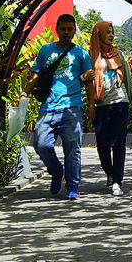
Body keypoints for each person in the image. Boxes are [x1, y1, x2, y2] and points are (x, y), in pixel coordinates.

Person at [22, 14, 94, 201]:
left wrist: (91, 104)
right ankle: (56, 170)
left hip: (72, 106)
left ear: (73, 30)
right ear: (57, 29)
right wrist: (25, 92)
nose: (66, 32)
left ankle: (73, 186)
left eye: (70, 29)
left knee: (73, 148)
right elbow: (36, 74)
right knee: (41, 143)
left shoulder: (81, 54)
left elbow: (88, 80)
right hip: (48, 105)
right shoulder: (46, 50)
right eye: (63, 29)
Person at [86, 20, 132, 196]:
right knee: (102, 144)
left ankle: (117, 180)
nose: (110, 35)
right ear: (98, 34)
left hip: (120, 102)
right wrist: (90, 104)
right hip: (101, 105)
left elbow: (128, 80)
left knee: (118, 143)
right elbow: (85, 81)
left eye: (111, 32)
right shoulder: (91, 56)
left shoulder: (119, 54)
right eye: (107, 32)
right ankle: (108, 172)